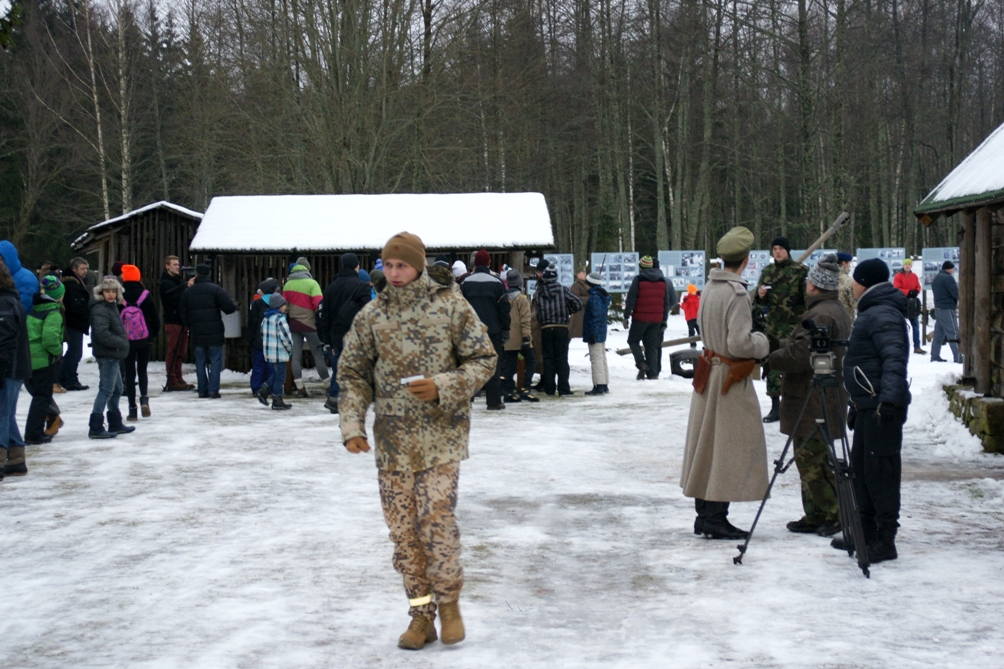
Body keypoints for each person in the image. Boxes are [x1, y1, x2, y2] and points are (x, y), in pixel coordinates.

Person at [338, 232, 496, 650]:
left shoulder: (450, 305)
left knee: (436, 521)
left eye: (402, 265)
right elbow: (353, 374)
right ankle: (421, 614)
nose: (394, 273)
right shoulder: (371, 315)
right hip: (392, 443)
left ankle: (449, 603)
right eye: (388, 265)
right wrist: (351, 425)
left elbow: (484, 359)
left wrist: (444, 385)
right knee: (404, 533)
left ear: (419, 266)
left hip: (441, 438)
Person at [680, 226, 770, 540]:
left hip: (709, 371)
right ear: (746, 259)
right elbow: (740, 345)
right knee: (725, 448)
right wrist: (763, 341)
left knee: (707, 446)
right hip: (728, 378)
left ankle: (706, 516)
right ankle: (715, 517)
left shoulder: (710, 289)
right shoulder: (737, 294)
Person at [767, 254, 851, 537]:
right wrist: (775, 343)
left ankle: (834, 512)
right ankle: (815, 513)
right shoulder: (831, 308)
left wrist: (769, 356)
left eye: (808, 281)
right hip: (817, 395)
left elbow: (802, 354)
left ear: (815, 285)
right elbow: (804, 345)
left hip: (813, 397)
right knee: (810, 459)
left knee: (812, 460)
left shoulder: (821, 314)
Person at [835, 258, 910, 564]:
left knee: (881, 473)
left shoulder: (881, 312)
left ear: (865, 282)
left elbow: (894, 358)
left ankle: (884, 538)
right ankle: (863, 530)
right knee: (862, 471)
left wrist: (889, 402)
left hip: (881, 407)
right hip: (868, 404)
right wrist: (858, 402)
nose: (851, 285)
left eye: (855, 280)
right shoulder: (872, 310)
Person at [755, 236, 808, 422]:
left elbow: (807, 300)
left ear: (788, 250)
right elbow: (758, 302)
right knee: (773, 366)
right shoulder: (768, 272)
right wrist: (760, 295)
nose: (777, 252)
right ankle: (776, 406)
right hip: (773, 328)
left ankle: (796, 405)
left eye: (781, 248)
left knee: (794, 365)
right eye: (774, 248)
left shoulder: (800, 272)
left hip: (794, 327)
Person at [317, 253, 372, 414]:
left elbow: (324, 317)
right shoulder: (362, 287)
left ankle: (337, 399)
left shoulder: (330, 288)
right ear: (357, 266)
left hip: (336, 336)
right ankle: (341, 399)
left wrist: (328, 341)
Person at [459, 250, 511, 409]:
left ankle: (469, 399)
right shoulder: (497, 283)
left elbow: (460, 308)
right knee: (492, 365)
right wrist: (506, 328)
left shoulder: (465, 283)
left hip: (471, 332)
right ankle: (493, 401)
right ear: (489, 263)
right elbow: (504, 308)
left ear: (474, 264)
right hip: (493, 331)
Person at [178, 263, 237, 399]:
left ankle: (202, 390)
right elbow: (229, 307)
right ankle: (213, 390)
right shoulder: (215, 289)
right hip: (215, 331)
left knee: (200, 361)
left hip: (197, 331)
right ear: (208, 274)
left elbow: (183, 312)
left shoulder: (187, 292)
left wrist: (191, 325)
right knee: (215, 361)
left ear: (196, 274)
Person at [88, 276, 135, 439]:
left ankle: (115, 421)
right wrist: (121, 342)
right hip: (107, 354)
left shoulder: (111, 306)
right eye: (107, 291)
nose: (110, 294)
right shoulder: (101, 308)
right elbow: (101, 333)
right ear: (101, 292)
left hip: (114, 353)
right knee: (106, 390)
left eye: (113, 291)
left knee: (117, 389)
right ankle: (95, 425)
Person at [24, 276, 65, 446]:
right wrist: (57, 352)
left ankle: (44, 425)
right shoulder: (53, 313)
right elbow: (49, 339)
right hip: (43, 361)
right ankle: (33, 434)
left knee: (37, 396)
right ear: (58, 295)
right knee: (42, 398)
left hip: (28, 359)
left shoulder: (34, 310)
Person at [0, 260, 31, 477]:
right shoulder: (8, 299)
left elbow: (5, 340)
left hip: (8, 367)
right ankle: (17, 457)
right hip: (12, 366)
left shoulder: (4, 303)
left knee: (2, 414)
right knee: (6, 414)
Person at [282, 257, 330, 397]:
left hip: (294, 325)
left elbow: (285, 307)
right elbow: (318, 305)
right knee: (318, 356)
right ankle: (328, 385)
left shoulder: (287, 285)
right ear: (307, 269)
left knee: (295, 356)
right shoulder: (312, 283)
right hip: (311, 325)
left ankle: (300, 386)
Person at [624, 255, 676, 380]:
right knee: (652, 346)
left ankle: (641, 363)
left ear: (641, 267)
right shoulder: (663, 281)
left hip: (640, 318)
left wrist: (626, 316)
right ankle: (653, 374)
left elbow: (631, 299)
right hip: (657, 320)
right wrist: (664, 320)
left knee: (633, 341)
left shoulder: (639, 279)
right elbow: (666, 302)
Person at [119, 265, 161, 420]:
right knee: (142, 370)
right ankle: (144, 399)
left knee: (129, 373)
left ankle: (132, 409)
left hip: (126, 340)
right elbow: (155, 319)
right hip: (145, 339)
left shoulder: (119, 295)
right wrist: (151, 336)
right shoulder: (145, 294)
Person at [535, 265, 582, 396]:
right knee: (562, 359)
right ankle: (564, 389)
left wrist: (543, 321)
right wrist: (568, 311)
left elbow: (537, 312)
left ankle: (549, 388)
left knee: (548, 359)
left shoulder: (539, 293)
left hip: (546, 329)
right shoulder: (563, 290)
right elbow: (577, 303)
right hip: (561, 328)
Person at [501, 269, 538, 403]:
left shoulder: (503, 297)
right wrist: (527, 337)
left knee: (510, 365)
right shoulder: (522, 299)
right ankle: (525, 389)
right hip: (521, 336)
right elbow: (525, 320)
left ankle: (509, 391)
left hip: (507, 338)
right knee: (531, 361)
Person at [159, 256, 196, 391]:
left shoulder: (178, 281)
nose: (177, 266)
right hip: (173, 320)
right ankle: (172, 379)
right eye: (174, 264)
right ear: (167, 266)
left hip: (182, 320)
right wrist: (187, 287)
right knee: (173, 350)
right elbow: (175, 299)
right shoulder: (166, 283)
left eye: (178, 264)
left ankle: (178, 377)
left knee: (181, 351)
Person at [59, 257, 93, 391]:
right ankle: (70, 378)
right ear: (74, 269)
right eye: (82, 269)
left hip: (75, 321)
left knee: (74, 351)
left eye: (86, 268)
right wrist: (85, 317)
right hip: (73, 322)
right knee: (75, 352)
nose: (85, 271)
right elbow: (75, 305)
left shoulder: (78, 282)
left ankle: (63, 377)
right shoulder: (72, 285)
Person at [259, 293, 293, 410]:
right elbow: (286, 337)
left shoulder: (265, 319)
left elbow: (263, 335)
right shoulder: (280, 320)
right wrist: (290, 348)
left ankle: (264, 390)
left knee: (277, 373)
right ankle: (277, 399)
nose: (285, 307)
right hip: (280, 352)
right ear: (279, 306)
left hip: (269, 352)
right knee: (280, 377)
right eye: (284, 305)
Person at [247, 278, 279, 396]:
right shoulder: (279, 303)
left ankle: (256, 389)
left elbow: (252, 322)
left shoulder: (258, 303)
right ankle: (270, 388)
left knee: (258, 365)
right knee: (272, 366)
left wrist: (250, 338)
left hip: (259, 339)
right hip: (273, 340)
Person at [582, 271, 611, 395]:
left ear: (590, 284)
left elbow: (595, 316)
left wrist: (592, 333)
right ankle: (604, 384)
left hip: (595, 333)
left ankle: (599, 385)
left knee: (596, 359)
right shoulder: (600, 295)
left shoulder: (594, 297)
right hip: (601, 332)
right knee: (601, 357)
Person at [930, 260, 961, 363]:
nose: (954, 270)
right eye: (953, 268)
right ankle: (958, 357)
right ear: (949, 269)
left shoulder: (937, 278)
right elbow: (955, 293)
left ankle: (934, 356)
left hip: (938, 309)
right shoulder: (948, 278)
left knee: (938, 335)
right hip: (947, 309)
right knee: (953, 333)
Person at [892, 259, 924, 354]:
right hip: (902, 302)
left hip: (912, 303)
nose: (907, 266)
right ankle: (901, 346)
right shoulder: (898, 276)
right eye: (906, 264)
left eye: (909, 264)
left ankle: (917, 347)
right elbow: (896, 288)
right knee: (901, 325)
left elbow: (918, 286)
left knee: (916, 325)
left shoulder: (914, 276)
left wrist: (916, 291)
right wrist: (908, 292)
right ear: (903, 265)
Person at [0, 241, 39, 315]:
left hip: (20, 323)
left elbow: (21, 308)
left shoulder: (26, 279)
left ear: (8, 259)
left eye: (0, 259)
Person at [568, 266, 590, 340]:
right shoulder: (576, 286)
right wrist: (589, 299)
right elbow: (575, 298)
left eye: (585, 273)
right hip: (579, 314)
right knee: (574, 333)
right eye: (582, 273)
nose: (585, 275)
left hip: (585, 313)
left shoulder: (586, 285)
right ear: (578, 274)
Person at [836, 252, 856, 316]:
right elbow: (856, 304)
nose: (850, 266)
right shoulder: (849, 281)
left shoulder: (823, 279)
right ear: (844, 263)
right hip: (845, 320)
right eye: (849, 263)